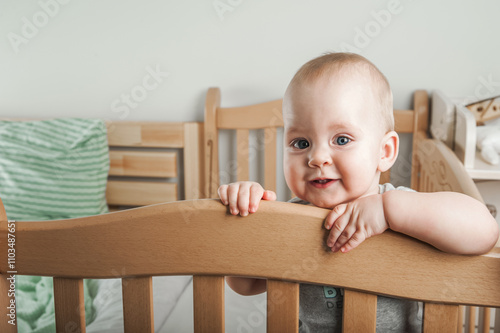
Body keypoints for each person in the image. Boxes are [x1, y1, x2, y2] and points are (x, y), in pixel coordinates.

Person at [218, 52, 499, 332]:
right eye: (300, 142)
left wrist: (389, 210)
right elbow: (245, 284)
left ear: (384, 152)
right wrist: (243, 219)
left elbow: (484, 230)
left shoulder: (405, 211)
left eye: (341, 139)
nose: (317, 158)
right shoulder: (285, 220)